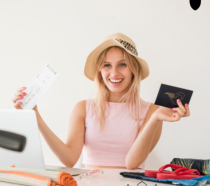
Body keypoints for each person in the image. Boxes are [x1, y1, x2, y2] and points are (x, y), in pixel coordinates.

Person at [12, 33, 190, 170]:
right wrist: (34, 115)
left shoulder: (152, 112)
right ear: (100, 71)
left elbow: (131, 163)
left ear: (134, 69)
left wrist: (155, 119)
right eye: (107, 65)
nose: (114, 73)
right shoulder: (82, 108)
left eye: (122, 64)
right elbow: (68, 159)